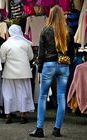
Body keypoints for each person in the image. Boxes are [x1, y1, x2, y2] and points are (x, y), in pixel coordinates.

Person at [29, 5, 75, 137]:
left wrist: (40, 69)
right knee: (61, 96)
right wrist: (67, 63)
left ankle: (39, 129)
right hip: (63, 66)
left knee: (43, 96)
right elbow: (72, 54)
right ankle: (57, 129)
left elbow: (41, 54)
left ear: (51, 15)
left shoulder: (46, 30)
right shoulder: (69, 31)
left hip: (49, 65)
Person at [0, 24, 35, 124]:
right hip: (23, 73)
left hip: (9, 73)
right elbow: (30, 57)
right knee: (23, 93)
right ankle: (23, 115)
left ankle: (8, 115)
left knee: (8, 93)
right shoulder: (25, 44)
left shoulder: (5, 44)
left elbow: (2, 59)